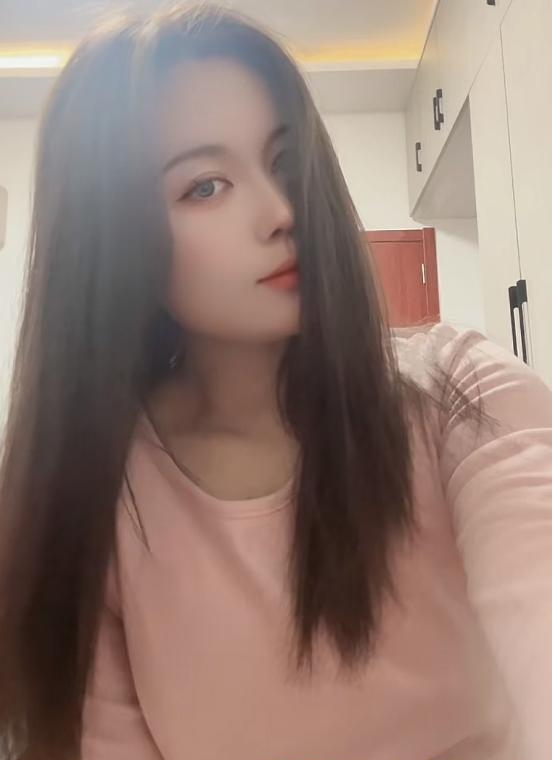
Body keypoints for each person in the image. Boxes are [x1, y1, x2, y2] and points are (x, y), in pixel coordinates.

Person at [0, 4, 551, 759]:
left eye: (286, 162)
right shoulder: (94, 498)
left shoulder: (461, 393)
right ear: (115, 241)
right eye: (205, 187)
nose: (281, 211)